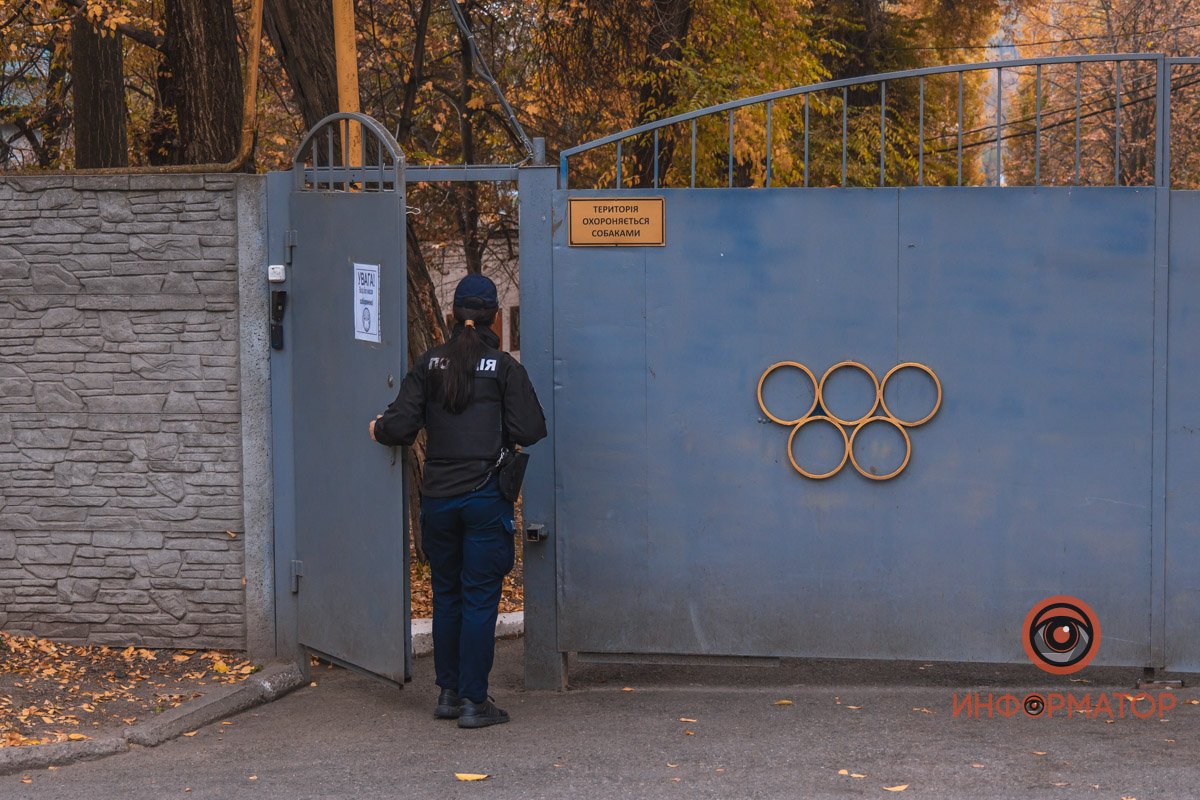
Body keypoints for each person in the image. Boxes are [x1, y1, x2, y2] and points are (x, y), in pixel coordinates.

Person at [369, 274, 546, 729]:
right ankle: (474, 701)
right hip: (486, 498)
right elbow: (530, 429)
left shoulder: (429, 365)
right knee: (480, 597)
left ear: (452, 316)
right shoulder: (505, 368)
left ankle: (448, 694)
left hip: (438, 501)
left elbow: (399, 427)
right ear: (493, 320)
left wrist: (376, 429)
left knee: (447, 595)